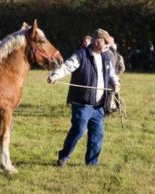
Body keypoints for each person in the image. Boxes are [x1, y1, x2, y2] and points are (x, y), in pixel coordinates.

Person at [47, 28, 120, 166]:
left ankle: (92, 163)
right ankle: (64, 156)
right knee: (79, 130)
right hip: (82, 103)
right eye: (106, 42)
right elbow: (67, 67)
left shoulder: (106, 57)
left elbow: (112, 75)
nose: (108, 45)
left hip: (99, 105)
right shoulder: (81, 55)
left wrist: (116, 84)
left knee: (97, 134)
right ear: (98, 41)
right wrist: (55, 75)